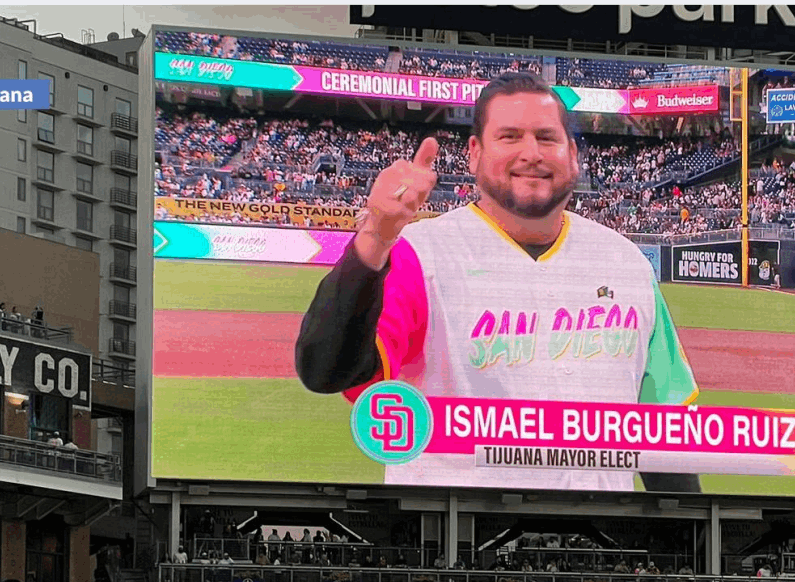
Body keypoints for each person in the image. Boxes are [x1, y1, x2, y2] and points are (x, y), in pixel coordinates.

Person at [296, 72, 699, 492]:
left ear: (573, 154)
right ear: (474, 153)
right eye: (509, 137)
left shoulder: (625, 262)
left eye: (547, 137)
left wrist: (688, 544)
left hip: (599, 541)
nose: (532, 154)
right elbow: (326, 371)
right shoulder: (420, 253)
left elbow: (663, 433)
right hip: (455, 541)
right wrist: (376, 238)